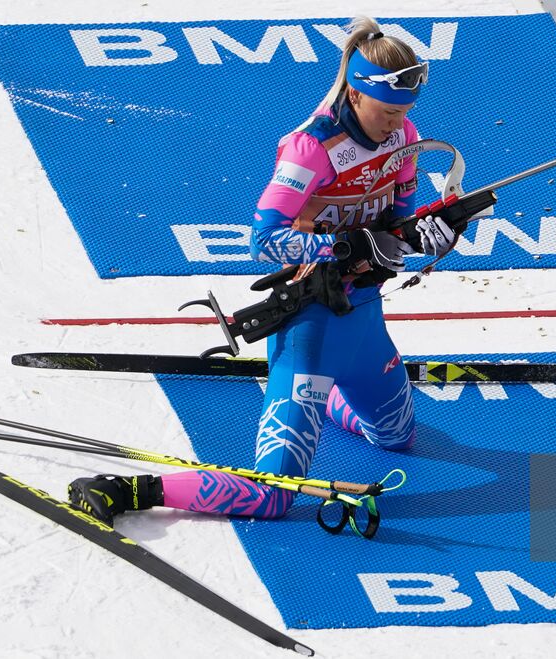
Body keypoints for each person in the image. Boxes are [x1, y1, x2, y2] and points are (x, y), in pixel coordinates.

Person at [67, 16, 458, 525]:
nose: (397, 123)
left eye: (405, 111)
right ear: (358, 94)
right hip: (311, 324)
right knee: (274, 497)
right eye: (387, 111)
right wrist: (346, 245)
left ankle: (328, 401)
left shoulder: (403, 133)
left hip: (364, 318)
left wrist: (437, 230)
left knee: (397, 437)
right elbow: (265, 241)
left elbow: (399, 223)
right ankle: (127, 487)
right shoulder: (310, 148)